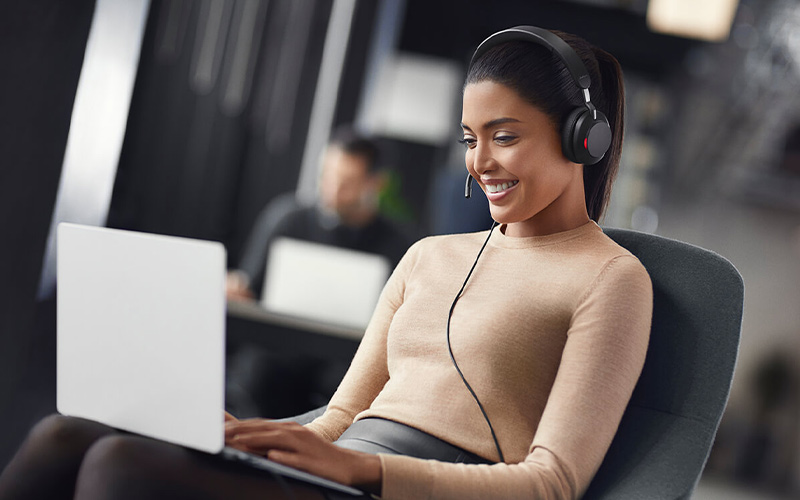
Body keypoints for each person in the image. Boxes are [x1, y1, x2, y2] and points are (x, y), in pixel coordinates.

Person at [0, 26, 652, 500]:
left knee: (120, 468)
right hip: (333, 469)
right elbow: (340, 417)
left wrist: (364, 471)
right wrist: (252, 435)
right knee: (66, 436)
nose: (479, 163)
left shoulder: (611, 279)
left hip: (392, 489)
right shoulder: (429, 257)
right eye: (469, 139)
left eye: (504, 136)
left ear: (582, 138)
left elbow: (551, 484)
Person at [226, 126, 412, 301]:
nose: (332, 191)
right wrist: (236, 289)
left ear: (376, 184)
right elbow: (248, 288)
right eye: (326, 177)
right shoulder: (288, 221)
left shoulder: (397, 246)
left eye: (346, 184)